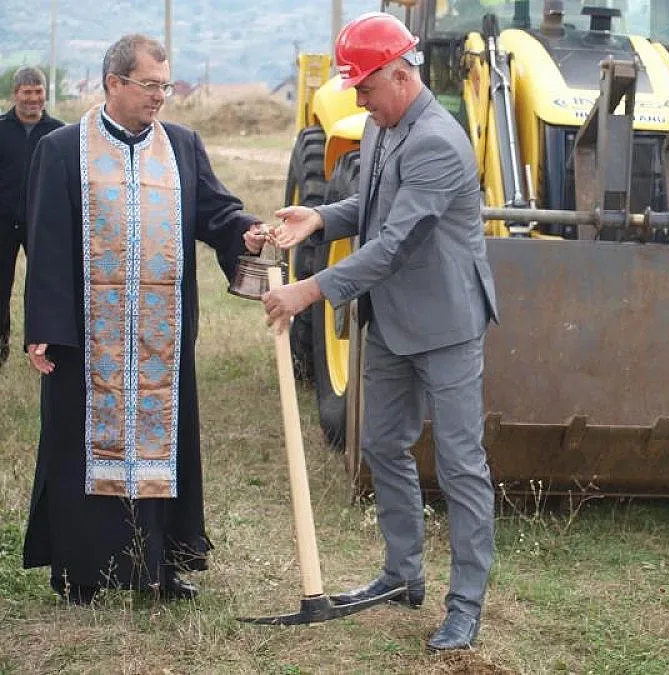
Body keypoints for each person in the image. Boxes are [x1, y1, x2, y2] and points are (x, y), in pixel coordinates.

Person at [263, 12, 499, 651]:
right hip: (392, 320)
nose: (359, 97)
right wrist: (318, 217)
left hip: (446, 325)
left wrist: (307, 290)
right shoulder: (379, 125)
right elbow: (371, 211)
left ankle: (465, 606)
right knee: (382, 446)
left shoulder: (438, 143)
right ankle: (401, 575)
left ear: (400, 73)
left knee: (459, 464)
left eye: (364, 86)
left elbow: (394, 244)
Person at [22, 34, 269, 604]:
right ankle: (82, 571)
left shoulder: (181, 145)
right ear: (114, 83)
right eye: (150, 85)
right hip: (88, 338)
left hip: (160, 336)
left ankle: (158, 564)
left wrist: (247, 231)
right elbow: (47, 242)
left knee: (163, 447)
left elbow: (217, 211)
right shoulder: (63, 150)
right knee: (79, 444)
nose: (161, 96)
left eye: (165, 85)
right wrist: (45, 328)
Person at [0, 67, 64, 367]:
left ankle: (40, 348)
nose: (33, 98)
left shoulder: (58, 133)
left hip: (42, 223)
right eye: (27, 92)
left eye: (38, 91)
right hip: (2, 223)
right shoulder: (1, 129)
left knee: (43, 287)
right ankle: (0, 352)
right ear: (16, 94)